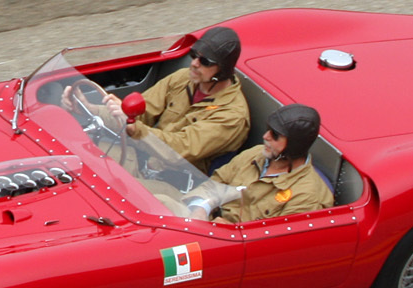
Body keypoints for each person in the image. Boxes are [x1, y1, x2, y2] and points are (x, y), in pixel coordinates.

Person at [110, 26, 249, 170]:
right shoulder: (183, 78)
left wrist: (136, 129)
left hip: (177, 180)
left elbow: (180, 150)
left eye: (205, 61)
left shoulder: (232, 116)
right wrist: (93, 109)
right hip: (147, 156)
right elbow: (142, 111)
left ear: (223, 70)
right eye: (194, 55)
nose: (194, 63)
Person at [205, 103, 334, 223]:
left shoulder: (306, 196)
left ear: (294, 145)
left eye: (275, 135)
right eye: (268, 129)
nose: (266, 136)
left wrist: (219, 228)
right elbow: (213, 185)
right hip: (206, 224)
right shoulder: (254, 154)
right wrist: (200, 207)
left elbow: (269, 242)